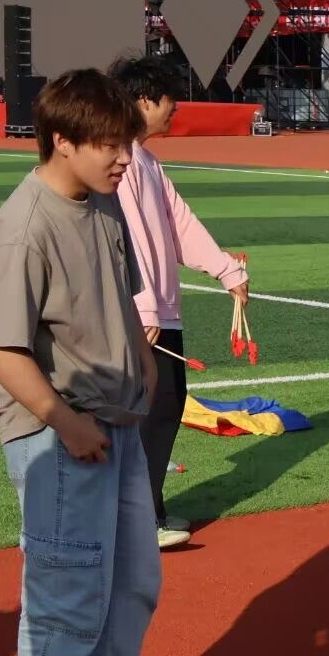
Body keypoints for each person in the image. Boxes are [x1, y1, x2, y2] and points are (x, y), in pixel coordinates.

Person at [0, 69, 184, 656]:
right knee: (66, 588)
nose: (125, 158)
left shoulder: (103, 205)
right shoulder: (23, 225)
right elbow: (0, 346)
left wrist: (144, 361)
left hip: (117, 421)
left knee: (132, 579)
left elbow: (123, 295)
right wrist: (64, 423)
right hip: (62, 432)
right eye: (109, 145)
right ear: (62, 141)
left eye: (127, 142)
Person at [110, 54, 250, 548]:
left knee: (165, 407)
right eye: (169, 99)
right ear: (143, 100)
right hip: (144, 313)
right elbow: (126, 239)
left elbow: (179, 224)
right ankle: (140, 519)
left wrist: (226, 270)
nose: (175, 109)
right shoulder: (122, 161)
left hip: (158, 310)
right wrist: (144, 307)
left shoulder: (145, 160)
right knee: (156, 410)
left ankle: (148, 509)